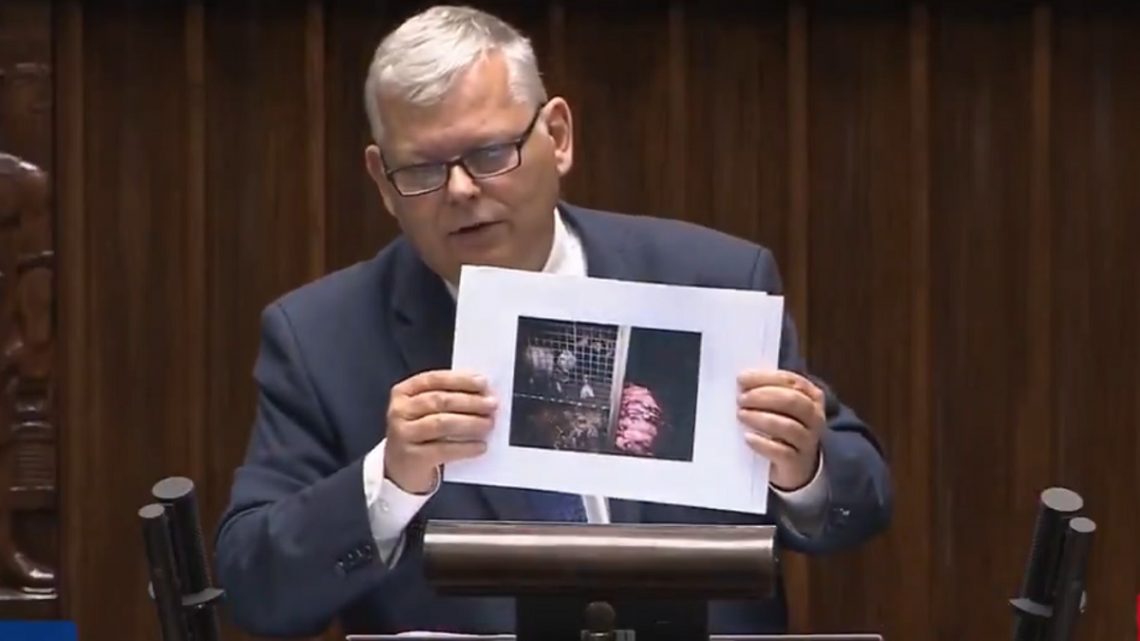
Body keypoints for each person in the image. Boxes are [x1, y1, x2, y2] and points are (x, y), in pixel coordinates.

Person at [213, 4, 892, 638]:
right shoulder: (320, 338)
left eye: (489, 155)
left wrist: (802, 468)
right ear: (381, 181)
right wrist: (387, 481)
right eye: (421, 169)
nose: (460, 191)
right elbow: (254, 587)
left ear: (558, 137)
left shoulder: (709, 279)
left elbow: (862, 504)